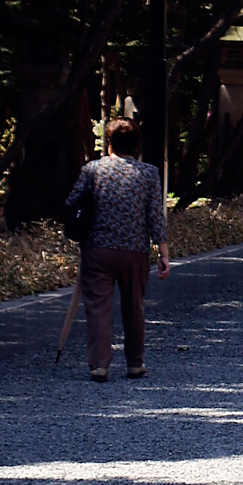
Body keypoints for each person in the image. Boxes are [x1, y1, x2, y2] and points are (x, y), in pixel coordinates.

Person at [65, 117, 169, 382]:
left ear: (108, 142)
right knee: (134, 306)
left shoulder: (92, 169)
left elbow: (72, 201)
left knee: (98, 307)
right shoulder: (149, 173)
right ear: (137, 145)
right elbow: (155, 215)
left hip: (97, 248)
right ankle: (135, 363)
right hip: (135, 251)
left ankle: (99, 365)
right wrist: (163, 251)